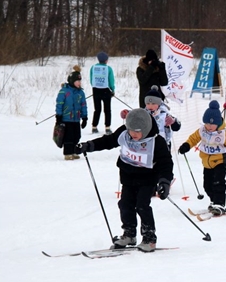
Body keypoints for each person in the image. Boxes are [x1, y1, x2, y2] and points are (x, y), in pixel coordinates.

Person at [75, 108, 174, 252]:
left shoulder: (156, 141)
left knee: (142, 206)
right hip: (128, 177)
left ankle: (149, 237)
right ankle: (129, 234)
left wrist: (165, 181)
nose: (132, 134)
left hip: (147, 179)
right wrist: (89, 146)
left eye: (137, 131)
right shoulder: (124, 133)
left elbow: (166, 163)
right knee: (125, 205)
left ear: (145, 129)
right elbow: (108, 141)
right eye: (130, 130)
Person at [178, 101, 226, 215]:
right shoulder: (202, 130)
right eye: (207, 123)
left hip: (220, 161)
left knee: (218, 182)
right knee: (207, 185)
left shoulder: (224, 133)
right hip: (206, 163)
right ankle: (214, 200)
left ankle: (219, 203)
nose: (209, 126)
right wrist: (186, 146)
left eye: (212, 124)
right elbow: (193, 138)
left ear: (218, 123)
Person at [121, 85, 182, 151]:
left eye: (153, 103)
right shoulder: (144, 113)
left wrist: (173, 121)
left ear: (158, 103)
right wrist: (127, 113)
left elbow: (177, 126)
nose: (150, 106)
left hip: (163, 144)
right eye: (148, 103)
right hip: (147, 143)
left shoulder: (164, 114)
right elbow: (135, 115)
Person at [55, 65, 88, 160]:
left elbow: (83, 105)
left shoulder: (80, 93)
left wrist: (84, 117)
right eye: (77, 81)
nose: (79, 83)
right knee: (68, 137)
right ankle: (68, 153)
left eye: (80, 81)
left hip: (76, 119)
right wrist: (59, 116)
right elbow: (59, 104)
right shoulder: (64, 91)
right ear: (72, 81)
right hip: (66, 118)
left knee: (76, 136)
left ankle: (74, 151)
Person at [89, 52, 115, 135]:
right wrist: (112, 89)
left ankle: (94, 126)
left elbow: (91, 79)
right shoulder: (108, 69)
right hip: (106, 90)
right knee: (107, 110)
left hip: (96, 90)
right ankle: (107, 128)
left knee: (97, 109)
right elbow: (111, 80)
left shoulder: (93, 67)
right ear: (106, 60)